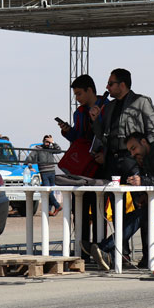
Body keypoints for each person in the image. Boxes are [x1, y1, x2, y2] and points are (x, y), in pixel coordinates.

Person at [90, 132, 154, 271]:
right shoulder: (147, 157)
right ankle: (111, 251)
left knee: (142, 214)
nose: (132, 154)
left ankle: (104, 247)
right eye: (130, 151)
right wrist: (145, 194)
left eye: (134, 148)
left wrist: (142, 181)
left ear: (144, 142)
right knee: (138, 213)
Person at [59, 74, 108, 256]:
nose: (77, 98)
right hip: (82, 167)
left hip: (100, 165)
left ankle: (101, 248)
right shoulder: (78, 113)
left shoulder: (106, 107)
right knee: (79, 207)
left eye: (79, 94)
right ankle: (83, 250)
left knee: (98, 210)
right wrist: (67, 132)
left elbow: (107, 134)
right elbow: (77, 137)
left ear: (89, 90)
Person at [92, 68, 154, 180]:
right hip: (111, 161)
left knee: (137, 195)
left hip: (132, 160)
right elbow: (103, 136)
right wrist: (95, 120)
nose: (107, 87)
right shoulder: (109, 106)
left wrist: (144, 158)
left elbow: (153, 132)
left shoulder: (141, 102)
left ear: (122, 85)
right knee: (110, 196)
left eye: (110, 84)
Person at [26, 134, 62, 216]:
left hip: (52, 171)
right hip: (44, 172)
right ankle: (57, 206)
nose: (47, 143)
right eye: (46, 141)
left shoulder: (51, 148)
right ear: (43, 141)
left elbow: (59, 150)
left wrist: (53, 142)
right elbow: (30, 157)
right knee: (47, 191)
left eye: (49, 142)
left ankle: (49, 210)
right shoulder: (38, 148)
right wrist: (30, 167)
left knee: (51, 191)